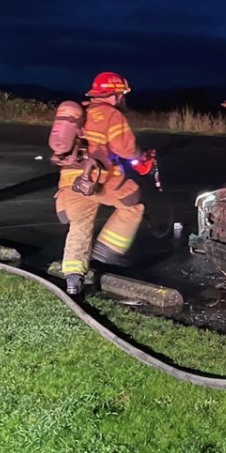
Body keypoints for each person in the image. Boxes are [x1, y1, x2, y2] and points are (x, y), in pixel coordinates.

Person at [55, 71, 154, 296]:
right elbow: (126, 149)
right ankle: (106, 252)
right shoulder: (111, 115)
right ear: (115, 95)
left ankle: (73, 280)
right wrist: (142, 155)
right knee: (132, 204)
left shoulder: (81, 113)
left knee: (79, 225)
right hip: (98, 179)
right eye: (121, 94)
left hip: (70, 181)